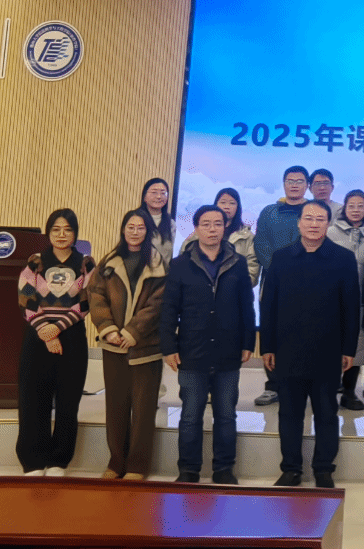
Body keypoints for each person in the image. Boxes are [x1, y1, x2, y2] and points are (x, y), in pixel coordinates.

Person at [260, 200, 361, 489]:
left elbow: (351, 308)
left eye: (320, 219)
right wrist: (267, 346)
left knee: (326, 414)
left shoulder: (343, 258)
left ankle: (323, 470)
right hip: (288, 350)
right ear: (299, 222)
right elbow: (268, 306)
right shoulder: (281, 258)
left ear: (328, 224)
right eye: (308, 218)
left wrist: (348, 349)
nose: (314, 224)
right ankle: (291, 469)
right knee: (289, 414)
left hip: (328, 350)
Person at [160, 205, 255, 485]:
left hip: (228, 350)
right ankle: (188, 470)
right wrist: (168, 346)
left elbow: (246, 307)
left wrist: (248, 341)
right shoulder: (180, 265)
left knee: (226, 415)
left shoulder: (237, 263)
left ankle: (224, 469)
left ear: (225, 227)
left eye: (218, 224)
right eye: (206, 224)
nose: (212, 229)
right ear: (196, 229)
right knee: (190, 415)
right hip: (192, 349)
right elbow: (169, 309)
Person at [88, 210, 167, 480]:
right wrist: (108, 329)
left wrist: (133, 332)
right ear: (123, 230)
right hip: (113, 347)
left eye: (140, 227)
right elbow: (96, 296)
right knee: (116, 407)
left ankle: (137, 466)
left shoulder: (158, 263)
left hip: (146, 347)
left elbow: (158, 304)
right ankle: (116, 463)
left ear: (148, 231)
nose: (135, 232)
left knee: (143, 411)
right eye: (130, 227)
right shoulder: (108, 262)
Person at [16, 209, 95, 477]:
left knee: (67, 400)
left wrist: (57, 328)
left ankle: (59, 460)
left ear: (75, 233)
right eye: (56, 229)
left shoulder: (85, 263)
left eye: (67, 229)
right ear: (48, 232)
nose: (62, 235)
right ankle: (33, 461)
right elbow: (26, 297)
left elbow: (86, 301)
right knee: (32, 399)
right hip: (36, 335)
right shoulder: (36, 262)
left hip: (72, 336)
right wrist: (45, 331)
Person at [252, 165, 309, 406]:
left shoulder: (313, 211)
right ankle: (273, 385)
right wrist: (277, 270)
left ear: (307, 185)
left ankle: (302, 382)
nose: (294, 185)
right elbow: (261, 242)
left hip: (307, 281)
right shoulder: (269, 212)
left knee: (304, 329)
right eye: (290, 181)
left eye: (299, 181)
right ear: (284, 184)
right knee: (271, 327)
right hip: (272, 279)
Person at [327, 189, 364, 412]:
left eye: (360, 206)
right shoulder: (330, 232)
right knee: (330, 346)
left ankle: (349, 393)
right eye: (351, 206)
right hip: (333, 297)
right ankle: (328, 391)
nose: (356, 210)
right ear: (344, 208)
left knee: (355, 347)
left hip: (362, 298)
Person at [180, 187, 260, 286]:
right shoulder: (200, 232)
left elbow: (252, 272)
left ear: (238, 207)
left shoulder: (247, 237)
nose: (227, 207)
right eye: (223, 202)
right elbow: (183, 260)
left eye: (232, 203)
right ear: (216, 205)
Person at [140, 178, 176, 266]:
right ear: (144, 196)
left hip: (162, 271)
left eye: (163, 193)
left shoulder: (170, 223)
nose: (159, 196)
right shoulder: (136, 218)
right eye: (154, 192)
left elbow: (169, 254)